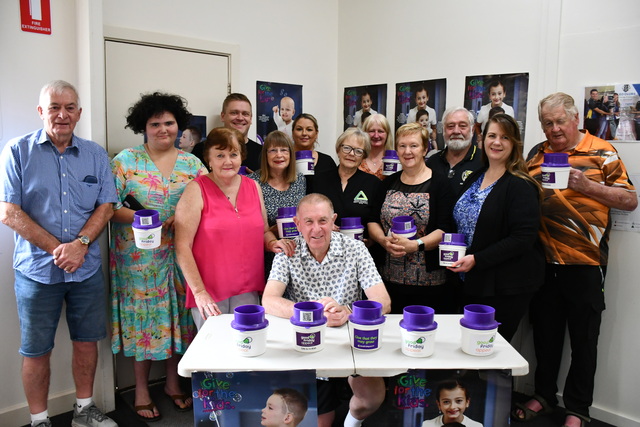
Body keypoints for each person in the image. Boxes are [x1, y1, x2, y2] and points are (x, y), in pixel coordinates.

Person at [0, 80, 118, 427]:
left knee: (87, 341)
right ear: (41, 111)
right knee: (36, 349)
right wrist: (60, 250)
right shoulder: (17, 151)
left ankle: (84, 410)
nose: (62, 115)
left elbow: (106, 206)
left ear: (79, 113)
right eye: (54, 107)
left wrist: (80, 246)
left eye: (69, 108)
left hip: (86, 270)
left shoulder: (95, 154)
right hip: (36, 272)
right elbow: (8, 211)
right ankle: (39, 420)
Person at [516, 92, 637, 427]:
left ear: (575, 119)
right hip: (542, 263)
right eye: (547, 123)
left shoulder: (602, 151)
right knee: (545, 335)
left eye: (560, 121)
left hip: (586, 263)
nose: (554, 129)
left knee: (584, 340)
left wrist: (586, 185)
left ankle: (578, 410)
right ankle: (543, 395)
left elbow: (629, 200)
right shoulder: (536, 153)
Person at [110, 92, 207, 421]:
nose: (163, 129)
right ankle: (140, 389)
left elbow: (209, 203)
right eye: (155, 124)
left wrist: (183, 217)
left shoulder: (193, 164)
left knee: (178, 318)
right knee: (145, 321)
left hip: (182, 255)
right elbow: (108, 206)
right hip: (138, 261)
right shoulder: (125, 161)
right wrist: (142, 217)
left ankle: (172, 382)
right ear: (144, 127)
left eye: (169, 122)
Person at [262, 193, 391, 427]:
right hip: (306, 342)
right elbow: (268, 300)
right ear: (297, 224)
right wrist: (312, 314)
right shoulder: (287, 252)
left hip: (351, 340)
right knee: (321, 422)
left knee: (371, 398)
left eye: (322, 220)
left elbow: (383, 301)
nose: (316, 229)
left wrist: (349, 312)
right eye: (308, 222)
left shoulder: (356, 249)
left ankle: (352, 422)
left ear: (333, 221)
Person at [174, 127, 294, 329]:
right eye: (220, 155)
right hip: (210, 292)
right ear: (208, 159)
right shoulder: (196, 189)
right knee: (215, 347)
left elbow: (264, 230)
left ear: (241, 156)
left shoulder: (253, 186)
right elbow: (182, 246)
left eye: (233, 154)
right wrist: (199, 292)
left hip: (248, 288)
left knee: (248, 342)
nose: (228, 161)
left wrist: (272, 243)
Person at [449, 114, 544, 342]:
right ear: (482, 140)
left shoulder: (520, 185)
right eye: (492, 136)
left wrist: (477, 259)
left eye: (505, 137)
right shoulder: (475, 176)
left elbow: (523, 238)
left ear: (514, 143)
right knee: (470, 346)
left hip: (505, 286)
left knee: (490, 349)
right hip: (473, 280)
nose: (497, 142)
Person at [368, 123, 455, 314]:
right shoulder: (387, 183)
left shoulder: (441, 184)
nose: (407, 151)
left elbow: (445, 229)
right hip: (389, 279)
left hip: (430, 283)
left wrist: (416, 245)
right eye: (402, 146)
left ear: (424, 149)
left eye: (414, 145)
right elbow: (372, 220)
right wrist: (383, 241)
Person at [313, 127, 382, 232]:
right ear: (338, 150)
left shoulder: (373, 184)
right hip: (324, 239)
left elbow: (374, 220)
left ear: (364, 156)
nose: (351, 154)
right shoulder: (319, 180)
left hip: (359, 241)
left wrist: (370, 239)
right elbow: (309, 214)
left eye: (358, 151)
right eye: (346, 148)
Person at [248, 130, 306, 231]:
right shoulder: (252, 182)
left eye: (284, 150)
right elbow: (250, 224)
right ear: (265, 155)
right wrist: (277, 229)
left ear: (291, 154)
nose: (279, 155)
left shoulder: (299, 179)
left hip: (299, 238)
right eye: (273, 150)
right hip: (267, 239)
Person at [427, 107, 484, 196]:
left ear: (472, 130)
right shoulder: (432, 162)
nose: (456, 131)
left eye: (462, 126)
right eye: (450, 126)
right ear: (443, 130)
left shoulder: (485, 162)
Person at [291, 113, 337, 192]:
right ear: (292, 133)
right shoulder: (283, 160)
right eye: (299, 129)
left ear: (316, 134)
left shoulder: (327, 162)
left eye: (309, 130)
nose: (304, 133)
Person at [220, 93, 262, 172]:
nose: (240, 118)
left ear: (251, 118)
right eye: (234, 113)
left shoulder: (262, 153)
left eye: (245, 114)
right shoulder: (204, 149)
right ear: (223, 116)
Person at [360, 114, 394, 179]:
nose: (376, 135)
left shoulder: (395, 161)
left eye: (380, 131)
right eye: (372, 131)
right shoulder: (357, 159)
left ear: (387, 134)